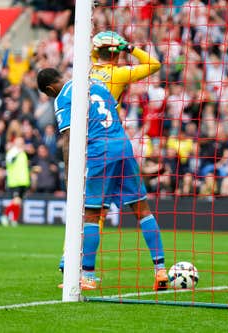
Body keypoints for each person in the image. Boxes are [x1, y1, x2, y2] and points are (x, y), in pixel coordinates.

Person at [36, 68, 168, 291]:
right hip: (123, 146)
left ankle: (88, 277)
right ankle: (161, 270)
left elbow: (69, 140)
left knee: (91, 214)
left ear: (50, 89)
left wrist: (70, 178)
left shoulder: (63, 98)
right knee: (143, 210)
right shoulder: (96, 84)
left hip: (100, 152)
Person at [90, 30, 161, 109]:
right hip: (111, 120)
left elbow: (93, 54)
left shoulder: (89, 68)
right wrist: (128, 47)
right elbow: (155, 65)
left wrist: (97, 46)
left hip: (87, 120)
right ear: (118, 54)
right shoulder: (121, 74)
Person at [1, 136, 31, 227]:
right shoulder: (12, 152)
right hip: (15, 181)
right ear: (15, 143)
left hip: (23, 181)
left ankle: (14, 220)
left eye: (22, 142)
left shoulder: (23, 153)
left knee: (19, 202)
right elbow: (9, 162)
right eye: (19, 142)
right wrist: (17, 152)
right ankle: (5, 215)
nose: (21, 144)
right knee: (16, 201)